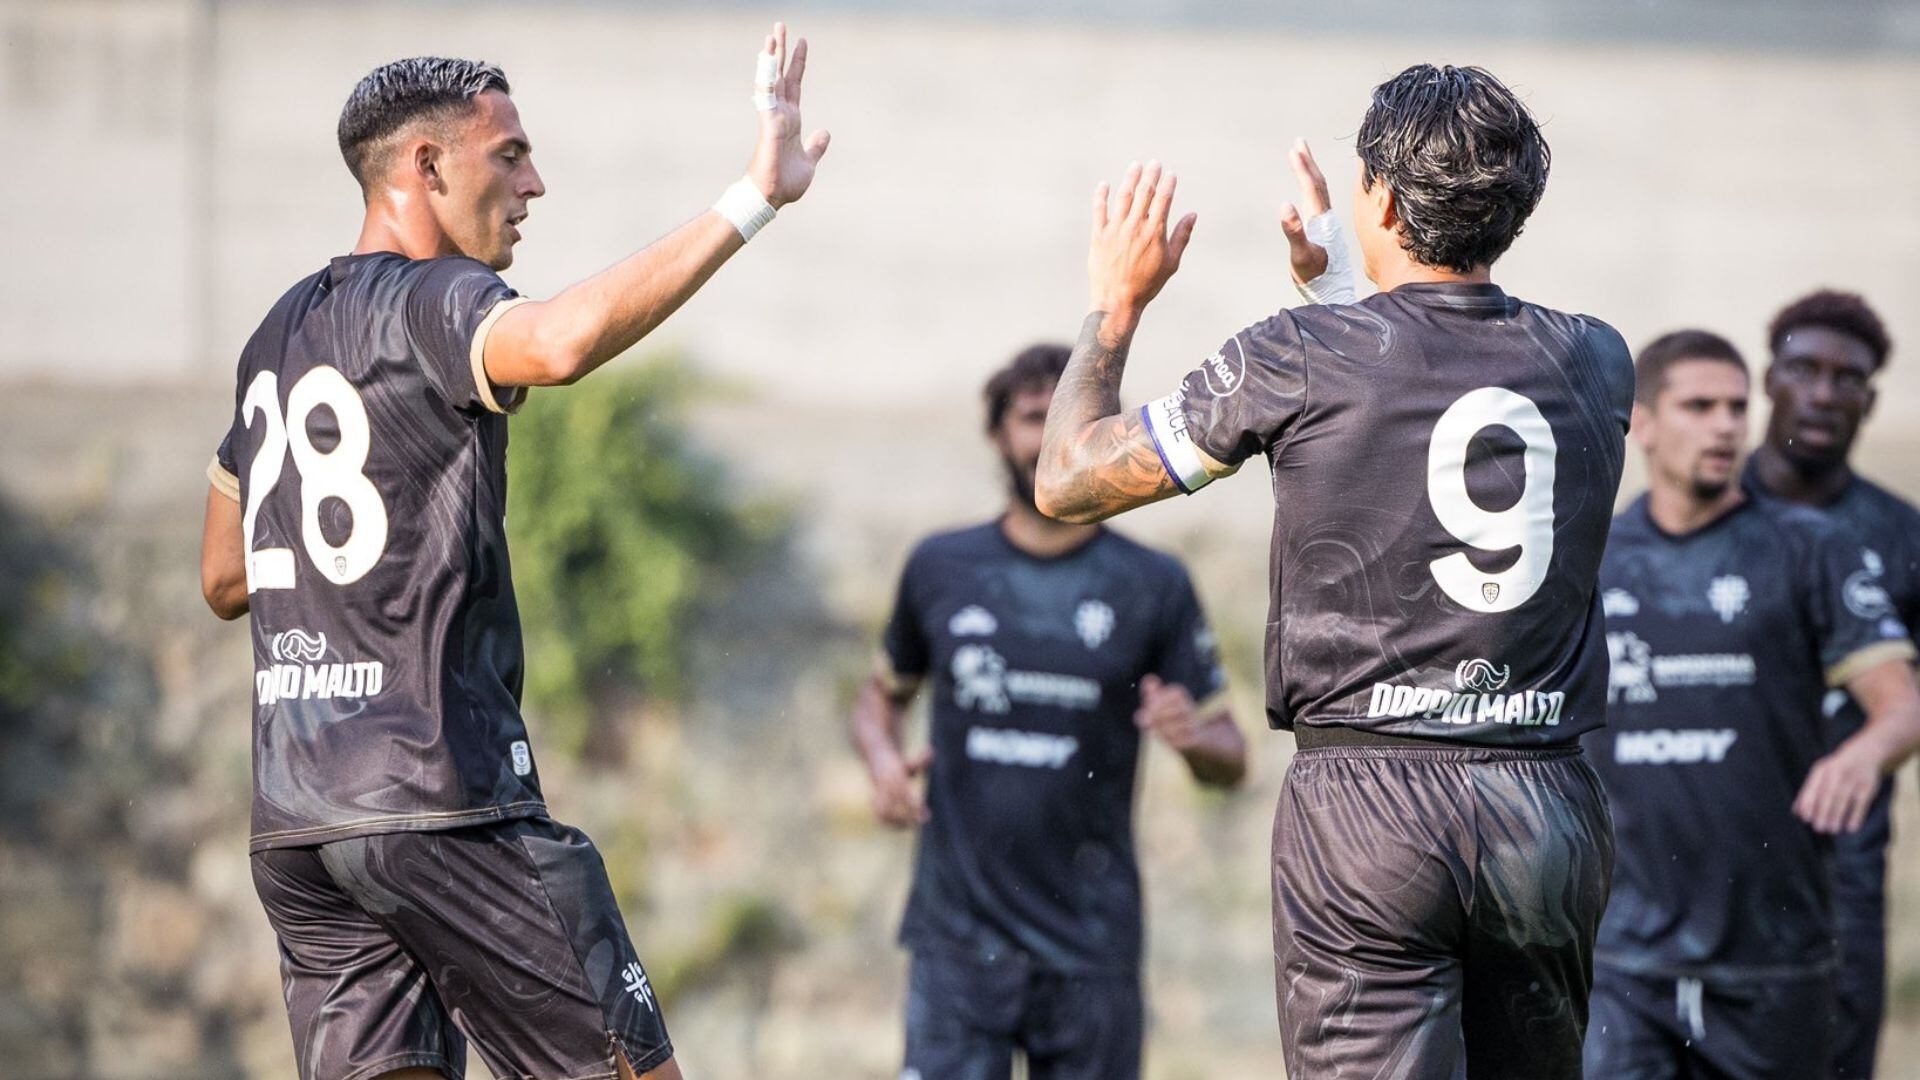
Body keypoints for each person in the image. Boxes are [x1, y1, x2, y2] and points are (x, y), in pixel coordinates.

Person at [197, 27, 828, 1080]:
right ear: (426, 166)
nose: (536, 183)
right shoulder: (440, 299)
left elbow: (223, 576)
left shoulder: (275, 335)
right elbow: (562, 342)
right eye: (511, 155)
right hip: (443, 800)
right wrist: (752, 198)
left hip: (299, 823)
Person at [1036, 65, 1630, 1077]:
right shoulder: (1596, 357)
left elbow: (1067, 479)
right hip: (1543, 804)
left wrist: (1116, 307)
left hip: (1372, 804)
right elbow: (1437, 376)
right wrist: (1344, 291)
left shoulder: (1303, 354)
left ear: (1383, 200)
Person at [851, 343, 1246, 1080]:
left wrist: (1193, 741)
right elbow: (881, 697)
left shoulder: (1151, 584)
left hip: (1091, 947)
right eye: (1035, 418)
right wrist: (881, 762)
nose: (1051, 439)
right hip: (958, 944)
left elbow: (1232, 757)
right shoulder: (940, 566)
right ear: (998, 433)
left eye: (1073, 420)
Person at [1582, 329, 1920, 1078]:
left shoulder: (1809, 549)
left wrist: (1865, 753)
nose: (1725, 425)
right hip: (1623, 959)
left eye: (1737, 407)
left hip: (1774, 954)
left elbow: (1902, 705)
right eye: (1699, 406)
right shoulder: (1595, 559)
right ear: (1642, 420)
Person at [1742, 290, 1920, 1079]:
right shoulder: (1691, 517)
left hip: (1842, 865)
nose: (1822, 393)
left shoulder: (1901, 537)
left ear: (1869, 400)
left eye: (1845, 379)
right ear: (1768, 379)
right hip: (1705, 856)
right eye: (1804, 370)